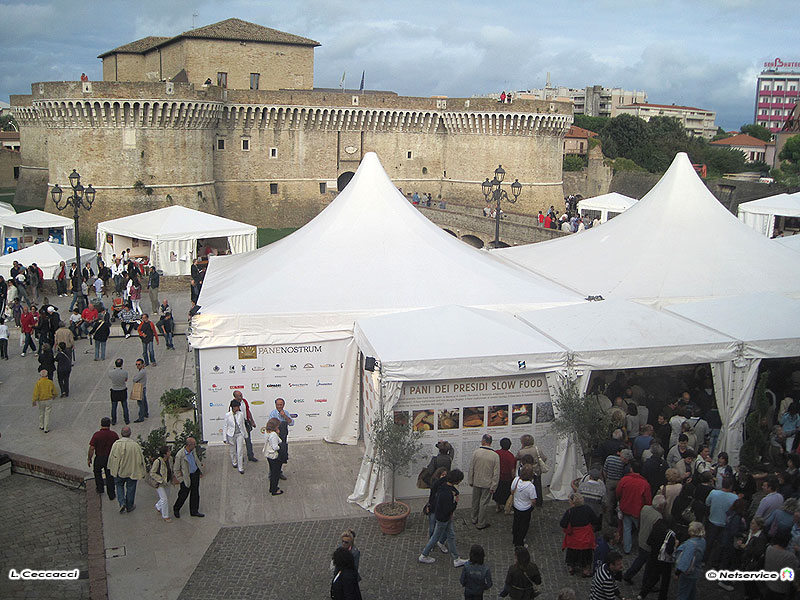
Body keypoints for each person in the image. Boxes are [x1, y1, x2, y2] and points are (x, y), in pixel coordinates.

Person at [419, 468, 468, 567]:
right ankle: (424, 555)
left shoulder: (442, 486)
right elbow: (448, 509)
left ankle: (456, 558)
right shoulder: (447, 494)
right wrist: (456, 502)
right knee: (436, 537)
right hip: (444, 518)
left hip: (442, 516)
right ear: (456, 481)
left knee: (451, 536)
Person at [623, 494, 666, 585]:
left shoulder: (645, 508)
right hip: (649, 543)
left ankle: (628, 575)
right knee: (649, 565)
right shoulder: (658, 517)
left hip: (641, 538)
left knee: (640, 559)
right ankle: (646, 583)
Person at [616, 460, 652, 555]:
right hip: (638, 510)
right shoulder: (645, 484)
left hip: (625, 508)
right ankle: (642, 548)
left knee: (626, 528)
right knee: (641, 530)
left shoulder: (624, 480)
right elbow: (648, 500)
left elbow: (618, 493)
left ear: (631, 469)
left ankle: (627, 548)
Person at [108, 425, 147, 513]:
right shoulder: (135, 445)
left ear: (121, 433)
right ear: (130, 434)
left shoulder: (116, 444)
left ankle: (122, 503)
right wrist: (142, 471)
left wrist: (111, 468)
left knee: (119, 486)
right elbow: (140, 459)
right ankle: (129, 506)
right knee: (131, 488)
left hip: (119, 471)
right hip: (132, 471)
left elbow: (112, 457)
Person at [560, 492, 598, 577]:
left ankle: (571, 567)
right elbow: (595, 520)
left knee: (571, 552)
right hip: (586, 537)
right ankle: (586, 570)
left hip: (573, 538)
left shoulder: (570, 512)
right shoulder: (588, 509)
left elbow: (563, 524)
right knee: (587, 554)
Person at [469, 434, 500, 530]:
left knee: (475, 501)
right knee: (483, 503)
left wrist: (470, 479)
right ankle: (481, 523)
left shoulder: (476, 452)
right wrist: (494, 486)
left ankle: (474, 518)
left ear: (483, 441)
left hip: (477, 481)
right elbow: (496, 473)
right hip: (487, 483)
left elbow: (471, 467)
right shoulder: (495, 455)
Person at [172, 436, 204, 518]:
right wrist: (181, 480)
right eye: (194, 444)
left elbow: (196, 460)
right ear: (189, 445)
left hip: (194, 474)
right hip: (186, 477)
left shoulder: (193, 451)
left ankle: (194, 511)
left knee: (195, 493)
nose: (195, 446)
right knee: (183, 494)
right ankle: (176, 508)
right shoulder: (180, 455)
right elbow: (176, 469)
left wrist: (200, 469)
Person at [88, 417, 119, 499]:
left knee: (97, 472)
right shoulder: (114, 435)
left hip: (99, 457)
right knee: (109, 475)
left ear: (101, 424)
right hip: (110, 458)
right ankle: (111, 494)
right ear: (109, 424)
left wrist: (89, 458)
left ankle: (100, 488)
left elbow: (92, 448)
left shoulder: (96, 435)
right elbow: (118, 447)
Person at [674, 521, 706, 600]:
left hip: (688, 572)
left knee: (682, 593)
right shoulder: (702, 541)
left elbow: (685, 560)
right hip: (696, 570)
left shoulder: (690, 544)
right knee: (691, 592)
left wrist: (677, 573)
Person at [511, 464, 538, 548]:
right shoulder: (531, 487)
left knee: (516, 522)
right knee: (524, 525)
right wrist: (533, 506)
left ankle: (515, 538)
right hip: (526, 508)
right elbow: (533, 500)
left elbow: (512, 491)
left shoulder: (516, 480)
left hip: (516, 505)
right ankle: (519, 543)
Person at [516, 434, 546, 507]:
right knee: (537, 487)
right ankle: (539, 502)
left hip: (526, 472)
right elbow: (544, 458)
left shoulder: (521, 452)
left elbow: (517, 458)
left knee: (526, 487)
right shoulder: (537, 449)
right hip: (536, 471)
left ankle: (527, 501)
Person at [269, 398, 294, 480]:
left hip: (283, 438)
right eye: (278, 405)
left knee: (282, 457)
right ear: (275, 405)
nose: (279, 406)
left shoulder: (286, 413)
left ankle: (279, 472)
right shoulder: (273, 414)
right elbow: (270, 426)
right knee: (274, 457)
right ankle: (272, 474)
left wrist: (285, 416)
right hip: (275, 439)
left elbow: (291, 423)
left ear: (283, 405)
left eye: (281, 405)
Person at [150, 445, 175, 522]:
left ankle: (158, 506)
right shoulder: (158, 461)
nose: (170, 452)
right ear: (164, 453)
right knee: (164, 499)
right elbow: (152, 473)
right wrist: (160, 480)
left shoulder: (170, 459)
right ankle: (165, 516)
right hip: (159, 483)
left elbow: (171, 469)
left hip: (167, 482)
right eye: (168, 451)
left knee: (166, 497)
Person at [233, 390, 258, 463]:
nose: (241, 396)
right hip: (238, 425)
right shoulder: (233, 403)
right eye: (239, 395)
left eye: (241, 395)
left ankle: (250, 456)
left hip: (246, 423)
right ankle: (239, 457)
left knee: (248, 440)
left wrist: (252, 421)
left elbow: (248, 411)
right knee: (238, 442)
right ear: (235, 397)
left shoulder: (244, 401)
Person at [224, 399, 247, 474]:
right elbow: (225, 426)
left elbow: (243, 425)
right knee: (232, 450)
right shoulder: (227, 415)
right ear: (233, 407)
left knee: (240, 450)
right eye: (237, 406)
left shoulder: (241, 414)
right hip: (231, 434)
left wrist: (245, 434)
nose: (238, 408)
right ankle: (234, 462)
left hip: (239, 434)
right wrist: (224, 438)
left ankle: (241, 467)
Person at [494, 437, 516, 512]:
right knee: (506, 493)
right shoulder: (511, 456)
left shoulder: (496, 453)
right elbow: (512, 469)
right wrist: (514, 478)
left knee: (497, 492)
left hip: (498, 477)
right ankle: (507, 508)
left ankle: (497, 507)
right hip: (507, 478)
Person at [32, 368, 58, 433]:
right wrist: (54, 396)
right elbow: (54, 391)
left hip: (41, 400)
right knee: (47, 414)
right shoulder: (50, 382)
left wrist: (34, 400)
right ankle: (46, 428)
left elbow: (36, 392)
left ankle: (41, 425)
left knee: (41, 413)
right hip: (48, 399)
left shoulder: (38, 383)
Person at [264, 417, 283, 495]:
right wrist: (280, 447)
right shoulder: (274, 435)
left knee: (272, 472)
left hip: (269, 456)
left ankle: (272, 488)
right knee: (275, 474)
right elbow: (275, 447)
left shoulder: (267, 432)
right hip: (274, 456)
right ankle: (274, 490)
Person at [108, 358, 130, 426]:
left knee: (114, 407)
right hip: (123, 390)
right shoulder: (125, 372)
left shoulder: (111, 372)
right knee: (125, 406)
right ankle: (126, 420)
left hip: (114, 390)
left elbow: (110, 378)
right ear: (122, 364)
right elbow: (126, 380)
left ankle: (114, 420)